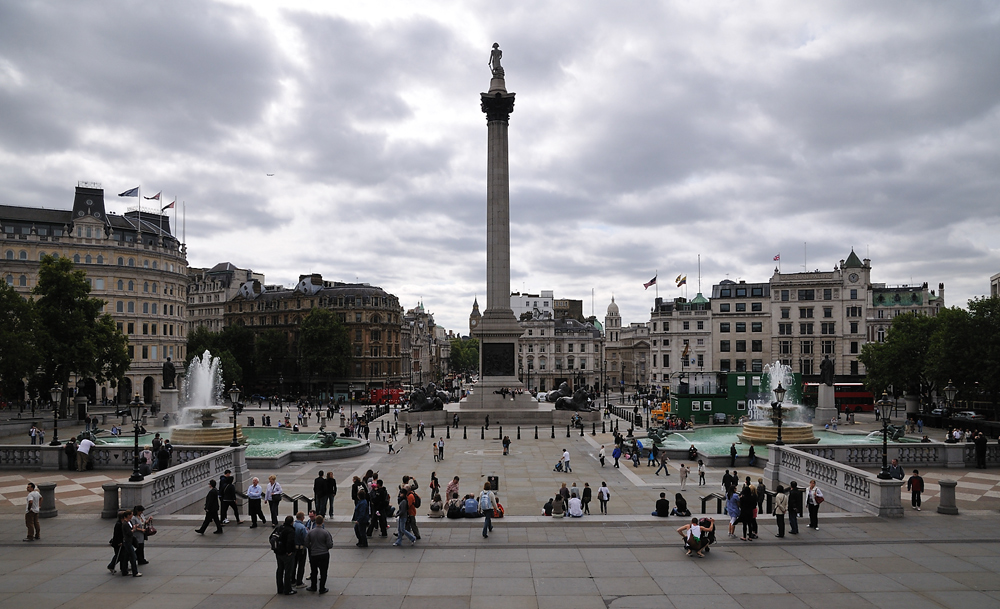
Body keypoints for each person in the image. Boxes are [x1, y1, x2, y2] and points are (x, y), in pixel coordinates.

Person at [306, 515, 333, 594]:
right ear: (322, 522)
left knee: (314, 571)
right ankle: (322, 588)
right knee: (323, 571)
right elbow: (330, 545)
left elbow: (306, 543)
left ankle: (313, 586)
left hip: (314, 554)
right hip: (324, 553)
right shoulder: (326, 532)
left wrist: (312, 548)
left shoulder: (311, 532)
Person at [273, 515, 297, 595]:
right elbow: (290, 542)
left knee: (280, 570)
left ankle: (280, 588)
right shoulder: (290, 530)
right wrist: (289, 551)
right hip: (286, 554)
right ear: (291, 522)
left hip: (278, 553)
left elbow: (272, 537)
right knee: (288, 571)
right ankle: (288, 589)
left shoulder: (279, 528)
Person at [119, 509, 141, 576]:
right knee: (133, 556)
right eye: (131, 514)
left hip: (129, 541)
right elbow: (129, 533)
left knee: (126, 557)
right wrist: (133, 529)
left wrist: (134, 527)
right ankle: (135, 572)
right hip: (127, 542)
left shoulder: (129, 522)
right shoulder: (125, 524)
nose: (132, 516)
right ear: (128, 515)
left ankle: (124, 571)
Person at [292, 512, 309, 587]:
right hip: (301, 548)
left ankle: (292, 580)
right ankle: (299, 582)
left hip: (293, 548)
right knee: (301, 565)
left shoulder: (292, 525)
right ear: (302, 518)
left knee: (293, 565)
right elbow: (306, 539)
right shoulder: (302, 527)